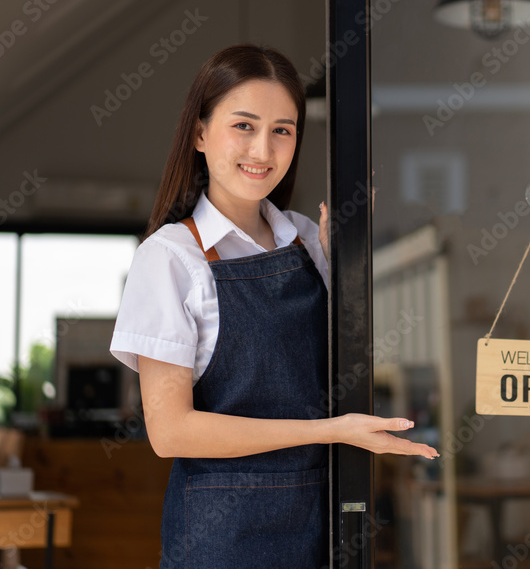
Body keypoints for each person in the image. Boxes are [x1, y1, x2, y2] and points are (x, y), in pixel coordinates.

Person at [109, 44, 437, 569]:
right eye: (244, 125)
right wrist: (329, 431)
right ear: (199, 133)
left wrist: (344, 271)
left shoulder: (310, 240)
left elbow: (340, 373)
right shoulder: (170, 257)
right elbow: (171, 431)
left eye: (282, 130)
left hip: (321, 525)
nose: (263, 150)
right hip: (221, 542)